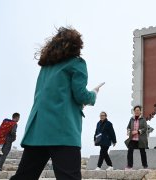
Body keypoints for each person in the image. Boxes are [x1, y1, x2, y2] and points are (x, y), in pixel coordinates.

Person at [10, 27, 103, 180]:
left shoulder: (45, 67)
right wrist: (94, 94)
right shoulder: (77, 63)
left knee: (24, 176)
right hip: (62, 131)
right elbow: (81, 95)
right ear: (76, 46)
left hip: (37, 131)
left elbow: (52, 96)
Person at [125, 105, 148, 170]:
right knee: (130, 151)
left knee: (142, 152)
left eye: (138, 110)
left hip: (140, 139)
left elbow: (145, 128)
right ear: (134, 111)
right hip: (132, 139)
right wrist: (129, 131)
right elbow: (128, 127)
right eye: (135, 110)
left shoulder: (143, 119)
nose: (137, 112)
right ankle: (129, 166)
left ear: (140, 111)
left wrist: (137, 132)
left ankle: (145, 166)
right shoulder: (131, 119)